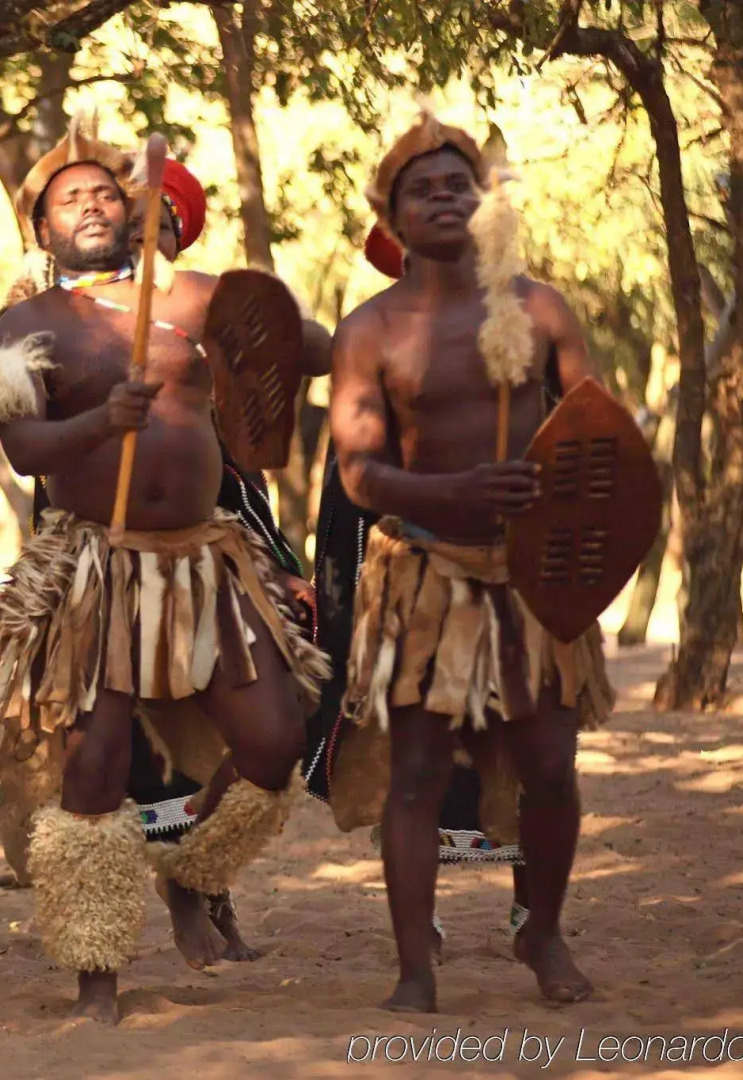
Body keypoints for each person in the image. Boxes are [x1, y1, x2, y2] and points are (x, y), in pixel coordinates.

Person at [0, 121, 328, 1023]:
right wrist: (96, 424)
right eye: (69, 199)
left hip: (204, 560)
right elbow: (27, 448)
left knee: (274, 744)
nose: (91, 206)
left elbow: (303, 348)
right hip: (97, 567)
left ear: (134, 211)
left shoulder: (192, 298)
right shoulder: (26, 324)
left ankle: (187, 863)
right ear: (39, 228)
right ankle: (97, 975)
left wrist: (265, 324)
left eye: (106, 194)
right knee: (93, 771)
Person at [329, 112, 613, 1013]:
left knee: (551, 767)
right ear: (392, 216)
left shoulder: (538, 307)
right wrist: (451, 496)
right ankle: (415, 969)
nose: (444, 196)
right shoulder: (368, 330)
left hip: (532, 576)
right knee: (414, 774)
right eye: (423, 188)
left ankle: (543, 929)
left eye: (459, 184)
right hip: (425, 575)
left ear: (484, 203)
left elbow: (600, 436)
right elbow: (359, 472)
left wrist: (574, 531)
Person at [303, 222, 535, 955]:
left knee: (517, 736)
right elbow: (349, 492)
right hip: (404, 578)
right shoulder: (369, 336)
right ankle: (418, 927)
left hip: (502, 571)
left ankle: (533, 914)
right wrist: (343, 619)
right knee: (409, 747)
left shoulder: (515, 330)